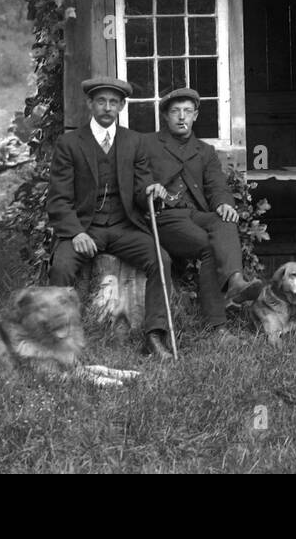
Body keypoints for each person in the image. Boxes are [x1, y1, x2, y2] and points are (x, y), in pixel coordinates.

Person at [46, 77, 175, 360]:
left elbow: (142, 189)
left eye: (114, 102)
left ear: (122, 106)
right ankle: (60, 340)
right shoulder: (70, 143)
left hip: (123, 227)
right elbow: (58, 198)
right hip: (84, 228)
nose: (107, 107)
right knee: (61, 267)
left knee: (160, 260)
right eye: (101, 101)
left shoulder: (134, 141)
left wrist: (150, 191)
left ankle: (154, 336)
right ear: (90, 104)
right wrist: (76, 233)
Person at [138, 87, 262, 333]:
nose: (181, 117)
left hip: (195, 214)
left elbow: (217, 186)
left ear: (195, 115)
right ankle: (217, 327)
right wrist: (150, 188)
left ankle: (236, 281)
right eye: (175, 111)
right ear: (165, 116)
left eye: (187, 111)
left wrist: (224, 204)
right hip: (165, 216)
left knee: (224, 220)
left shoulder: (205, 151)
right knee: (209, 246)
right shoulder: (148, 144)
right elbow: (139, 178)